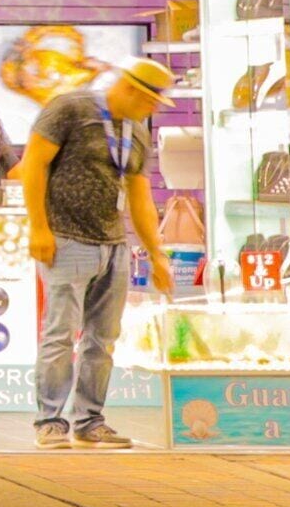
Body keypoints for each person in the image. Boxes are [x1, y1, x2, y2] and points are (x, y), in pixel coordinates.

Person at [18, 58, 174, 450]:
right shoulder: (69, 109)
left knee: (103, 340)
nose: (155, 107)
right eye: (153, 99)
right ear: (132, 89)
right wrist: (39, 226)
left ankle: (90, 420)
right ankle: (50, 421)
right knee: (59, 334)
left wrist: (156, 253)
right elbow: (33, 164)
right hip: (66, 237)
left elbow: (139, 195)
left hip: (113, 244)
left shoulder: (136, 133)